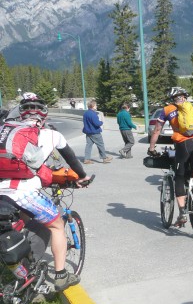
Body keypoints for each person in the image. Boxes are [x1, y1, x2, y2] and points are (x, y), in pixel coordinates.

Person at [0, 94, 91, 291]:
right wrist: (82, 177)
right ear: (45, 116)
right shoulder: (52, 135)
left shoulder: (6, 132)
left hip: (3, 190)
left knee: (18, 224)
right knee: (57, 225)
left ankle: (20, 263)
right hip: (24, 192)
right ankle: (60, 276)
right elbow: (72, 161)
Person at [147, 87, 193, 228]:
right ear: (184, 97)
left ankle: (182, 213)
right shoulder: (191, 107)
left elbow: (157, 130)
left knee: (179, 177)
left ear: (172, 98)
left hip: (183, 143)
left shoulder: (167, 110)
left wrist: (151, 148)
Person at [83, 99, 112, 164]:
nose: (96, 106)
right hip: (95, 132)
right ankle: (104, 158)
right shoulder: (93, 114)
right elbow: (97, 123)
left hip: (88, 132)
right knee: (100, 144)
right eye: (95, 105)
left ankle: (86, 159)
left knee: (88, 145)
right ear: (93, 106)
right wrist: (101, 122)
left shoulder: (85, 113)